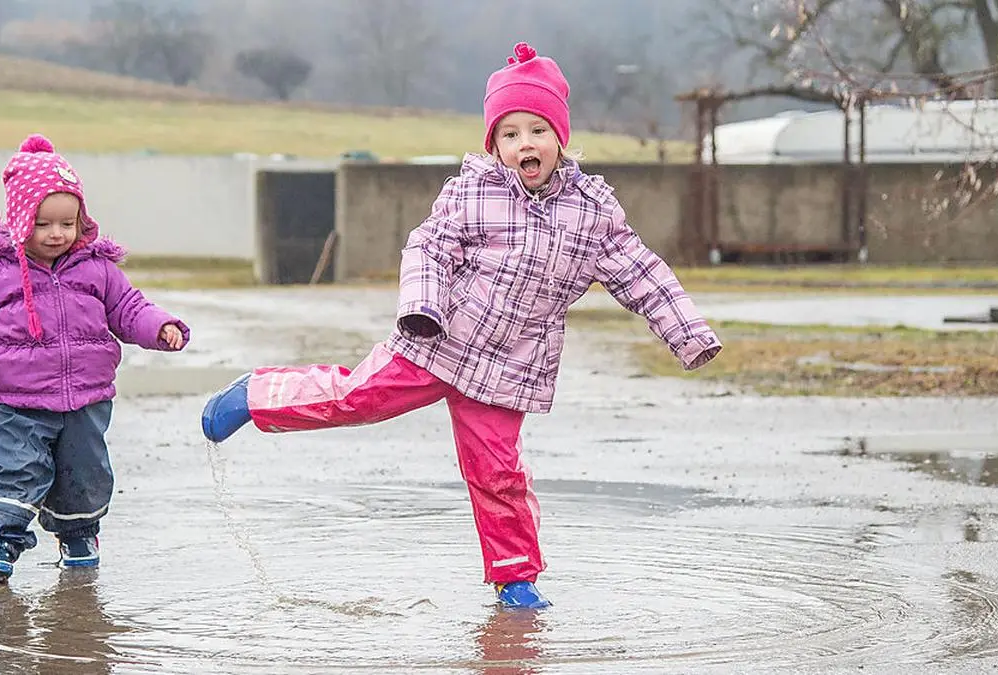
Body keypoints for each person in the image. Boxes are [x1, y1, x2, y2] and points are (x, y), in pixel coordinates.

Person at [201, 42, 721, 609]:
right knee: (355, 399)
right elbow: (428, 248)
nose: (525, 144)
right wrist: (421, 308)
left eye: (538, 130)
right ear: (494, 145)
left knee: (499, 473)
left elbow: (642, 273)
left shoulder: (592, 212)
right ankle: (257, 396)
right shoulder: (473, 191)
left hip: (508, 369)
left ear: (560, 138)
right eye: (510, 134)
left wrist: (688, 334)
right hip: (437, 343)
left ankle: (515, 578)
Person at [0, 134, 190, 583]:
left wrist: (160, 327)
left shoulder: (97, 269)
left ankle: (78, 534)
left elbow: (129, 308)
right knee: (16, 468)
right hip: (17, 401)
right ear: (20, 220)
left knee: (84, 472)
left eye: (67, 223)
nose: (57, 234)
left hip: (86, 399)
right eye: (43, 224)